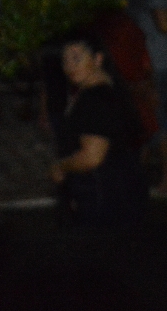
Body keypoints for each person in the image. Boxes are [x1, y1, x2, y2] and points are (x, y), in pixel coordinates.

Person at [48, 33, 148, 227]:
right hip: (124, 192)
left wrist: (60, 166)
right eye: (65, 60)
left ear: (98, 59)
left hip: (101, 198)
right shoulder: (113, 90)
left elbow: (92, 157)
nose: (70, 66)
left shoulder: (95, 100)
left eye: (77, 58)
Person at [125, 0, 167, 200]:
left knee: (156, 118)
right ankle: (135, 178)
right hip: (155, 57)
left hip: (154, 59)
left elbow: (164, 23)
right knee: (147, 116)